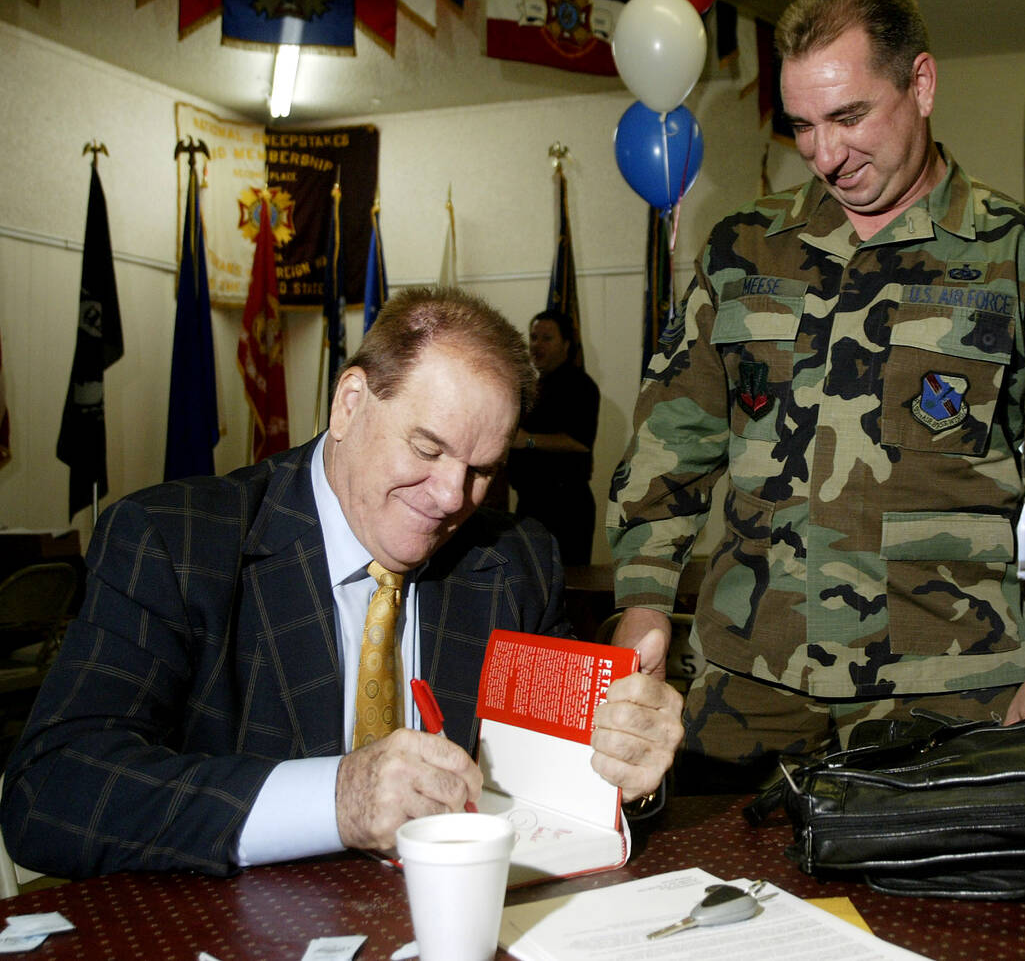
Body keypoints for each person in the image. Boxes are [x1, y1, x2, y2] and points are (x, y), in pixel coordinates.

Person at [606, 0, 1025, 791]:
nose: (826, 154)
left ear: (921, 84)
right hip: (744, 695)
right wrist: (644, 599)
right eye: (802, 126)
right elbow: (666, 450)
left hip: (947, 702)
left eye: (849, 116)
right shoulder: (742, 252)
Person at [1, 286, 682, 878]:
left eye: (482, 470)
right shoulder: (176, 542)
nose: (452, 496)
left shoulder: (514, 560)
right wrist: (336, 800)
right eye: (427, 447)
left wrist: (628, 770)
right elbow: (52, 791)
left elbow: (553, 788)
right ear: (350, 403)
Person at [507, 310, 601, 566]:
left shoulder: (580, 386)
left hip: (564, 508)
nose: (537, 345)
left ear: (566, 344)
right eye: (534, 337)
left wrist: (527, 440)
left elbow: (579, 442)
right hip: (530, 504)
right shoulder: (535, 387)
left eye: (546, 338)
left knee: (565, 588)